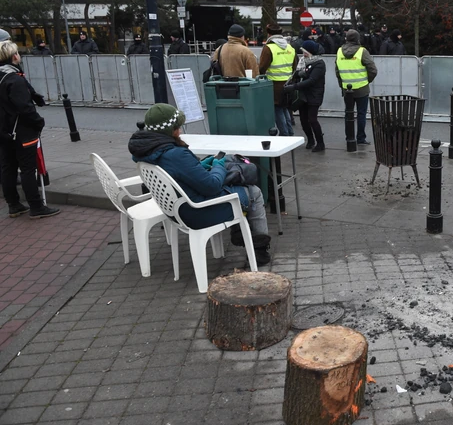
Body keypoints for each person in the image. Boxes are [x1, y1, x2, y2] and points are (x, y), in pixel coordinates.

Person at [128, 104, 271, 264]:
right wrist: (218, 165)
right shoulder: (176, 154)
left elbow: (178, 174)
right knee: (253, 192)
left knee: (233, 186)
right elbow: (212, 186)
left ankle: (240, 230)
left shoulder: (147, 152)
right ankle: (259, 252)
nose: (180, 131)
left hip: (175, 209)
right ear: (171, 130)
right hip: (197, 212)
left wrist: (200, 166)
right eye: (178, 127)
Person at [0, 42, 60, 218]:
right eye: (17, 53)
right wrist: (38, 122)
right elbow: (25, 108)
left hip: (4, 131)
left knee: (8, 168)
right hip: (21, 131)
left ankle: (14, 204)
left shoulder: (6, 77)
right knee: (28, 168)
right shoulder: (14, 80)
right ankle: (36, 206)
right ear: (14, 56)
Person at [335, 29, 377, 145]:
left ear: (346, 39)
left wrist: (342, 85)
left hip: (347, 88)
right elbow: (373, 70)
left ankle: (349, 137)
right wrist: (367, 81)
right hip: (361, 88)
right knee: (361, 114)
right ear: (358, 39)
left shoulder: (339, 51)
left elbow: (337, 71)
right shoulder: (362, 51)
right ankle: (360, 138)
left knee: (348, 113)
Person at [258, 23, 297, 136]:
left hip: (274, 85)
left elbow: (262, 67)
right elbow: (295, 66)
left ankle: (284, 134)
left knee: (277, 109)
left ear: (269, 34)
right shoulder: (290, 47)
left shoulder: (269, 48)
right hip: (289, 84)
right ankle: (290, 132)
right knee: (285, 108)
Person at [287, 40, 326, 152]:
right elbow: (298, 74)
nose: (303, 54)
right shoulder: (303, 62)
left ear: (311, 52)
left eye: (305, 52)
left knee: (312, 119)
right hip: (303, 94)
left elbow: (312, 80)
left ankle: (320, 143)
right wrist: (296, 75)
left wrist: (294, 86)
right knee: (303, 120)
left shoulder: (319, 63)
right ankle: (310, 140)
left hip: (314, 94)